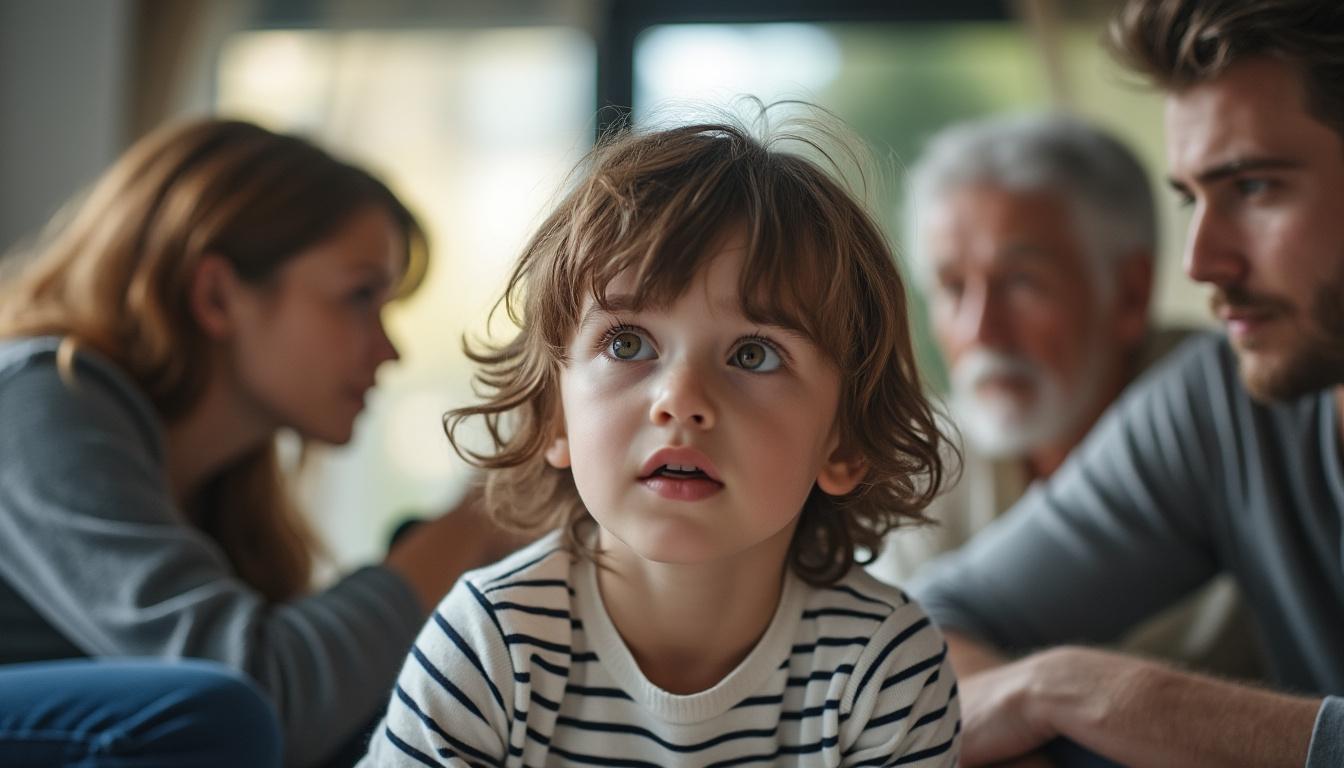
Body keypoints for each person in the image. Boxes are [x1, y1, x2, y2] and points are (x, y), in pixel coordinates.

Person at [360, 113, 961, 766]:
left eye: (754, 354)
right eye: (627, 344)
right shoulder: (488, 642)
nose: (681, 401)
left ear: (842, 442)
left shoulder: (887, 666)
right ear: (555, 417)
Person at [908, 0, 1344, 765]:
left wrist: (1097, 693)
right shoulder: (1222, 405)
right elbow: (925, 630)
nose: (1202, 264)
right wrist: (1040, 694)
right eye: (1193, 198)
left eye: (1256, 188)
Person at [0, 118, 508, 767]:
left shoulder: (221, 488)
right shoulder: (34, 396)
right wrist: (469, 526)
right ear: (217, 295)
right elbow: (253, 693)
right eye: (359, 297)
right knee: (218, 709)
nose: (390, 350)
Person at [870, 112, 1259, 677]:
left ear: (1129, 294)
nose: (981, 330)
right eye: (952, 288)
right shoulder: (922, 466)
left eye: (1022, 283)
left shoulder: (1238, 413)